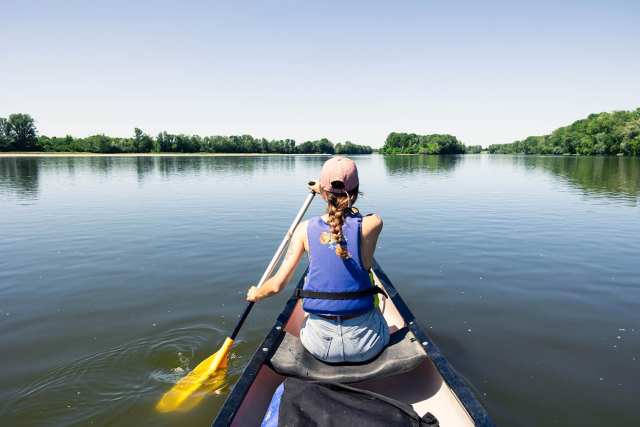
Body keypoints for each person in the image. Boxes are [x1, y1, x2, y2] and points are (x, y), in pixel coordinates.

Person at [247, 157, 389, 363]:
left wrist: (257, 293)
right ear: (356, 191)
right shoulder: (373, 223)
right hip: (367, 344)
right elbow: (353, 216)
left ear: (324, 193)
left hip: (320, 345)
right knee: (376, 307)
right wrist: (327, 191)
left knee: (308, 317)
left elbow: (276, 285)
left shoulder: (303, 229)